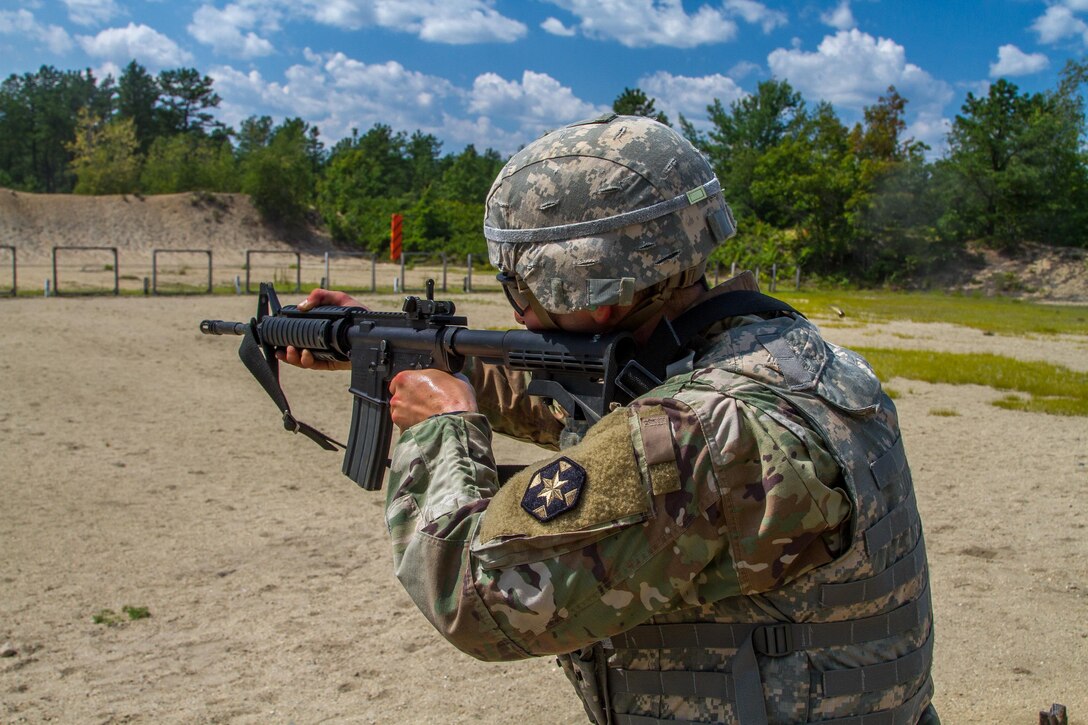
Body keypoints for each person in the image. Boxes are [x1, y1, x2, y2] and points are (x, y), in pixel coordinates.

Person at [280, 115, 937, 724]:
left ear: (583, 290)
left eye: (518, 283)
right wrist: (407, 351)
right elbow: (578, 392)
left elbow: (476, 597)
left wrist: (440, 429)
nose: (515, 309)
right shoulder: (775, 352)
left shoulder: (693, 439)